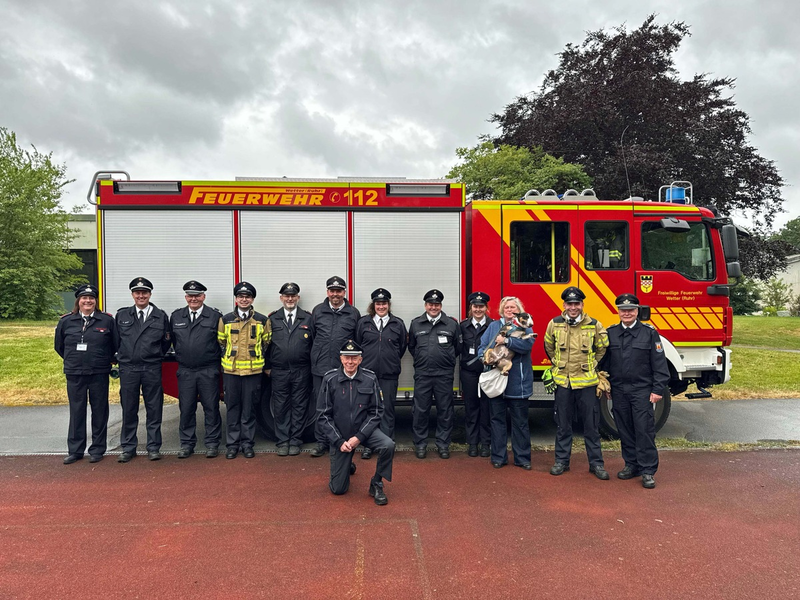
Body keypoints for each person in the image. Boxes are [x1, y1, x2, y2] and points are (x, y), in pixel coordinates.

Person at [600, 294, 670, 489]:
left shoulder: (649, 333)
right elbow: (604, 364)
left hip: (642, 390)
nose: (627, 313)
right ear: (618, 311)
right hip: (619, 390)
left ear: (637, 311)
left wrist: (657, 389)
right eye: (623, 309)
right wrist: (606, 385)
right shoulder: (611, 333)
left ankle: (647, 470)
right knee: (624, 429)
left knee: (644, 430)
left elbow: (659, 364)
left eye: (631, 309)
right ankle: (631, 465)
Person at [543, 286, 610, 479]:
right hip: (564, 382)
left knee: (591, 426)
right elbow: (549, 345)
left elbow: (602, 348)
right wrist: (557, 363)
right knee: (563, 425)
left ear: (582, 305)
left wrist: (593, 364)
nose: (573, 307)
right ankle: (561, 461)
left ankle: (596, 464)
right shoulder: (554, 324)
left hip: (587, 383)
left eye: (577, 304)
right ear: (564, 305)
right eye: (569, 304)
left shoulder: (594, 325)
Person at [318, 340, 395, 505]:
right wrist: (339, 441)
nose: (350, 362)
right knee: (338, 489)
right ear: (341, 359)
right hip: (341, 436)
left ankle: (376, 484)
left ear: (360, 360)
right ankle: (348, 464)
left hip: (363, 432)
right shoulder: (329, 379)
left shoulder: (370, 378)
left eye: (354, 358)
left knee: (388, 445)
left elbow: (376, 412)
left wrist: (359, 437)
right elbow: (323, 415)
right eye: (347, 357)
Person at [55, 284, 118, 464]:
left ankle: (97, 449)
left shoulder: (106, 321)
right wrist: (73, 359)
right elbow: (59, 346)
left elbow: (114, 344)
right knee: (77, 411)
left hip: (98, 372)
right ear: (78, 301)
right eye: (84, 298)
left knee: (99, 411)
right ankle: (75, 451)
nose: (88, 301)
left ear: (95, 301)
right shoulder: (66, 321)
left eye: (91, 298)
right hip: (75, 373)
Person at [115, 277, 172, 462]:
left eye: (144, 292)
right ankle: (128, 448)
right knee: (129, 409)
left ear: (150, 294)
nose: (141, 296)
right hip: (129, 368)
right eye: (137, 292)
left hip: (151, 367)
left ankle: (153, 447)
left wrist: (153, 355)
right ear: (132, 294)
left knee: (154, 408)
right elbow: (115, 341)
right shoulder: (122, 315)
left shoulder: (160, 315)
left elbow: (166, 342)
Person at [478, 296, 535, 469]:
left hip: (518, 382)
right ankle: (498, 457)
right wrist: (485, 358)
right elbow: (483, 346)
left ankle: (522, 458)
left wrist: (507, 341)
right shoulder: (494, 326)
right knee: (497, 420)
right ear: (502, 310)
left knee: (520, 422)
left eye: (513, 307)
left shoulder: (526, 326)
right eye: (506, 308)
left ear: (519, 310)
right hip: (497, 381)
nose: (510, 310)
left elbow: (527, 346)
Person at [169, 280, 223, 459]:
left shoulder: (214, 317)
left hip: (208, 370)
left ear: (203, 296)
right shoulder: (176, 317)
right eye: (190, 296)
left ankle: (212, 443)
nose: (194, 299)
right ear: (186, 297)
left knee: (211, 408)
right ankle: (186, 444)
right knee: (186, 408)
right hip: (186, 370)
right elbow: (174, 342)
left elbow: (221, 342)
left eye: (197, 295)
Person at [217, 282, 271, 459]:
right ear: (236, 299)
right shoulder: (225, 320)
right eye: (241, 296)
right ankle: (232, 445)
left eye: (247, 296)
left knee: (249, 409)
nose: (244, 299)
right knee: (232, 408)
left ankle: (247, 444)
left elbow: (266, 343)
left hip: (253, 373)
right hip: (231, 373)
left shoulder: (263, 320)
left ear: (252, 299)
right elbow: (221, 342)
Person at [309, 276, 361, 458]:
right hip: (321, 368)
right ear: (327, 292)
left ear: (344, 292)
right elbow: (313, 337)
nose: (335, 294)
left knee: (342, 406)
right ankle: (321, 442)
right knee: (321, 407)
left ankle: (340, 441)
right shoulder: (317, 311)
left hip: (344, 369)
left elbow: (357, 341)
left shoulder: (353, 313)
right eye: (332, 290)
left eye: (339, 291)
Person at [408, 289, 461, 459]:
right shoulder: (416, 324)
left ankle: (443, 444)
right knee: (420, 410)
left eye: (437, 304)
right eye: (430, 304)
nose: (433, 307)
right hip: (423, 373)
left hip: (444, 374)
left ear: (441, 306)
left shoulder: (451, 324)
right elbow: (412, 347)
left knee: (445, 410)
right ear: (425, 305)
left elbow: (457, 348)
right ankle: (420, 444)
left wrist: (445, 359)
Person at [354, 288, 407, 459]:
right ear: (373, 305)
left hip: (389, 374)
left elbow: (402, 347)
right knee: (367, 410)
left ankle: (386, 445)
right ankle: (368, 445)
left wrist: (389, 361)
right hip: (367, 375)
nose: (381, 306)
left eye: (384, 303)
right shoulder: (363, 323)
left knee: (387, 410)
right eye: (378, 303)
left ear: (388, 305)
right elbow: (358, 345)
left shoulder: (397, 324)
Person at [266, 282, 313, 456]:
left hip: (302, 370)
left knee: (300, 406)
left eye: (293, 296)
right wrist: (267, 367)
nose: (290, 299)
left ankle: (295, 441)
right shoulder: (273, 319)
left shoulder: (308, 318)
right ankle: (283, 440)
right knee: (280, 406)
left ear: (298, 298)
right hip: (279, 370)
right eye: (286, 296)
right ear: (281, 298)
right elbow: (265, 345)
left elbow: (314, 345)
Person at [459, 292, 493, 458]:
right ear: (470, 308)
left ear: (486, 308)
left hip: (488, 373)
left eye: (481, 306)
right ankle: (472, 443)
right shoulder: (463, 326)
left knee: (487, 408)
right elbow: (458, 348)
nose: (478, 309)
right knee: (471, 408)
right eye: (475, 306)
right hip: (469, 373)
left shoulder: (493, 326)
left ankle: (486, 443)